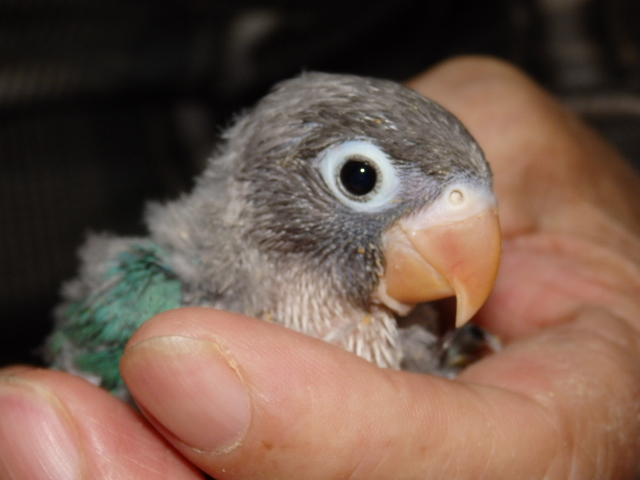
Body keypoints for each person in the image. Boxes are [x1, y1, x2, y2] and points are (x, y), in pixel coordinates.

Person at [1, 56, 640, 479]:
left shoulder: (429, 340)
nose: (457, 230)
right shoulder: (145, 301)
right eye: (360, 179)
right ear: (262, 187)